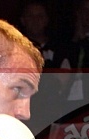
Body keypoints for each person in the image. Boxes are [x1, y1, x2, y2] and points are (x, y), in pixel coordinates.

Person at [17, 1, 71, 131]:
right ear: (23, 20)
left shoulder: (60, 48)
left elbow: (64, 80)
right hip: (27, 114)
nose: (36, 20)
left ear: (46, 19)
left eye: (40, 16)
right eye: (31, 16)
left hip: (55, 112)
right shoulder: (17, 49)